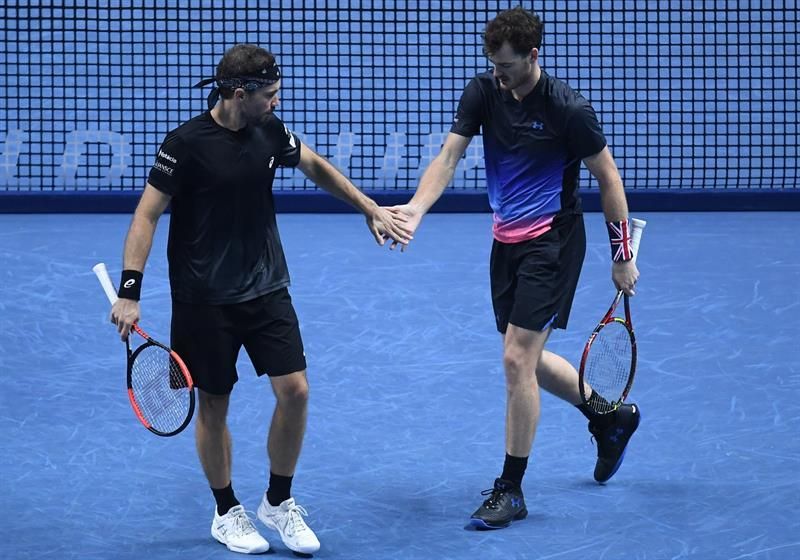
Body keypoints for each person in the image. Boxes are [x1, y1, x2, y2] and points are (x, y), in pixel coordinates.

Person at [109, 44, 412, 554]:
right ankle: (226, 510)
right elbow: (146, 214)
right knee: (214, 403)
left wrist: (368, 206)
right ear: (237, 93)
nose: (277, 101)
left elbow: (313, 164)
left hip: (266, 286)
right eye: (269, 93)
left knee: (296, 391)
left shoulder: (269, 129)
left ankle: (278, 501)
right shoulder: (184, 144)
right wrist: (130, 291)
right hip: (204, 299)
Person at [387, 7, 641, 529]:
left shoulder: (568, 109)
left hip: (553, 241)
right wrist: (415, 207)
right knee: (527, 358)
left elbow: (608, 179)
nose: (497, 74)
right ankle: (610, 417)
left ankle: (512, 489)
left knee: (515, 359)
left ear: (533, 56)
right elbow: (449, 157)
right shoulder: (483, 92)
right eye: (492, 64)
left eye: (506, 65)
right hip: (506, 242)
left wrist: (621, 256)